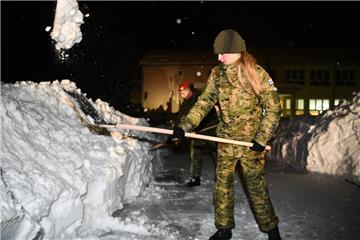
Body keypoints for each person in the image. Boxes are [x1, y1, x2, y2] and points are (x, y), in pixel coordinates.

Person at [169, 29, 283, 240]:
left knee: (256, 189)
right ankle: (224, 229)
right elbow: (203, 103)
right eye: (218, 53)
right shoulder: (217, 74)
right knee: (222, 186)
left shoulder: (256, 74)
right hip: (226, 140)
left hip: (251, 144)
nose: (219, 57)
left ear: (236, 51)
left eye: (222, 53)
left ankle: (272, 229)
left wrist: (261, 138)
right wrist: (184, 126)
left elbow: (274, 108)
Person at [170, 80, 218, 187]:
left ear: (189, 90)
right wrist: (176, 132)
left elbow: (203, 113)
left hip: (209, 130)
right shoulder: (186, 102)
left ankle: (220, 178)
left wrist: (198, 126)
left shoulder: (200, 98)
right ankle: (195, 178)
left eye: (183, 93)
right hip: (197, 133)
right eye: (180, 94)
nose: (182, 96)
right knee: (195, 153)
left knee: (216, 153)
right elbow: (182, 117)